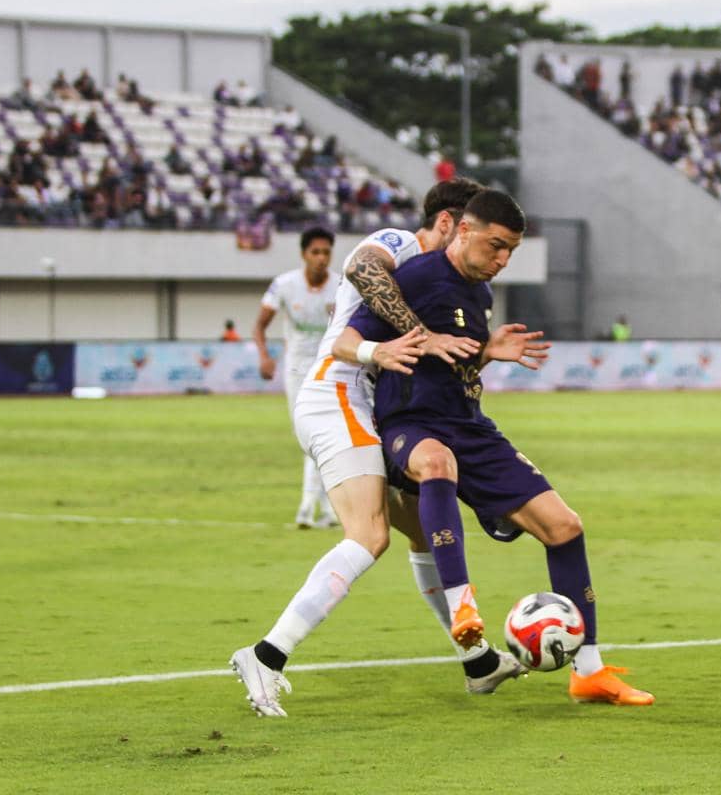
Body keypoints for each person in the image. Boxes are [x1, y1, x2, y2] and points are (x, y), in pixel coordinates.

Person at [341, 189, 652, 707]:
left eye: (511, 251)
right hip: (409, 421)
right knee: (437, 463)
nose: (503, 260)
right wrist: (390, 346)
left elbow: (457, 364)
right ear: (463, 231)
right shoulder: (415, 278)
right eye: (496, 246)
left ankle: (590, 671)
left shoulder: (480, 296)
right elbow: (344, 342)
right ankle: (463, 608)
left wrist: (487, 352)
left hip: (471, 424)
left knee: (565, 527)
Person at [231, 179, 525, 717]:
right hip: (338, 393)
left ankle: (477, 660)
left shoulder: (446, 285)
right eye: (467, 234)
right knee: (369, 535)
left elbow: (438, 358)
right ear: (448, 225)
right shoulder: (399, 245)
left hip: (370, 409)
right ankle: (266, 654)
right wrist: (419, 333)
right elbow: (360, 271)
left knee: (420, 527)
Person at [253, 227, 342, 529]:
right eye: (315, 252)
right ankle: (325, 509)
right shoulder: (284, 285)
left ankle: (310, 508)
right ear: (304, 254)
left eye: (326, 252)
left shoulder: (341, 286)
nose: (321, 258)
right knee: (307, 437)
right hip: (296, 367)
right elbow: (259, 326)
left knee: (326, 436)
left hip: (331, 366)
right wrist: (265, 356)